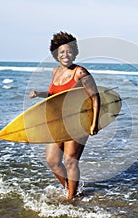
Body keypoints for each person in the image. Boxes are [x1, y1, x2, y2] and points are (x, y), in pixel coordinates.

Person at [29, 31, 100, 199]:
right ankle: (71, 189)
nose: (65, 55)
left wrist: (94, 123)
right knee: (52, 160)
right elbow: (56, 95)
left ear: (74, 53)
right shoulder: (55, 72)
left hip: (78, 122)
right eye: (61, 52)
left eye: (69, 51)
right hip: (59, 122)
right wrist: (39, 94)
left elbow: (95, 96)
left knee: (70, 161)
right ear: (56, 54)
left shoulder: (80, 72)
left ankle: (71, 199)